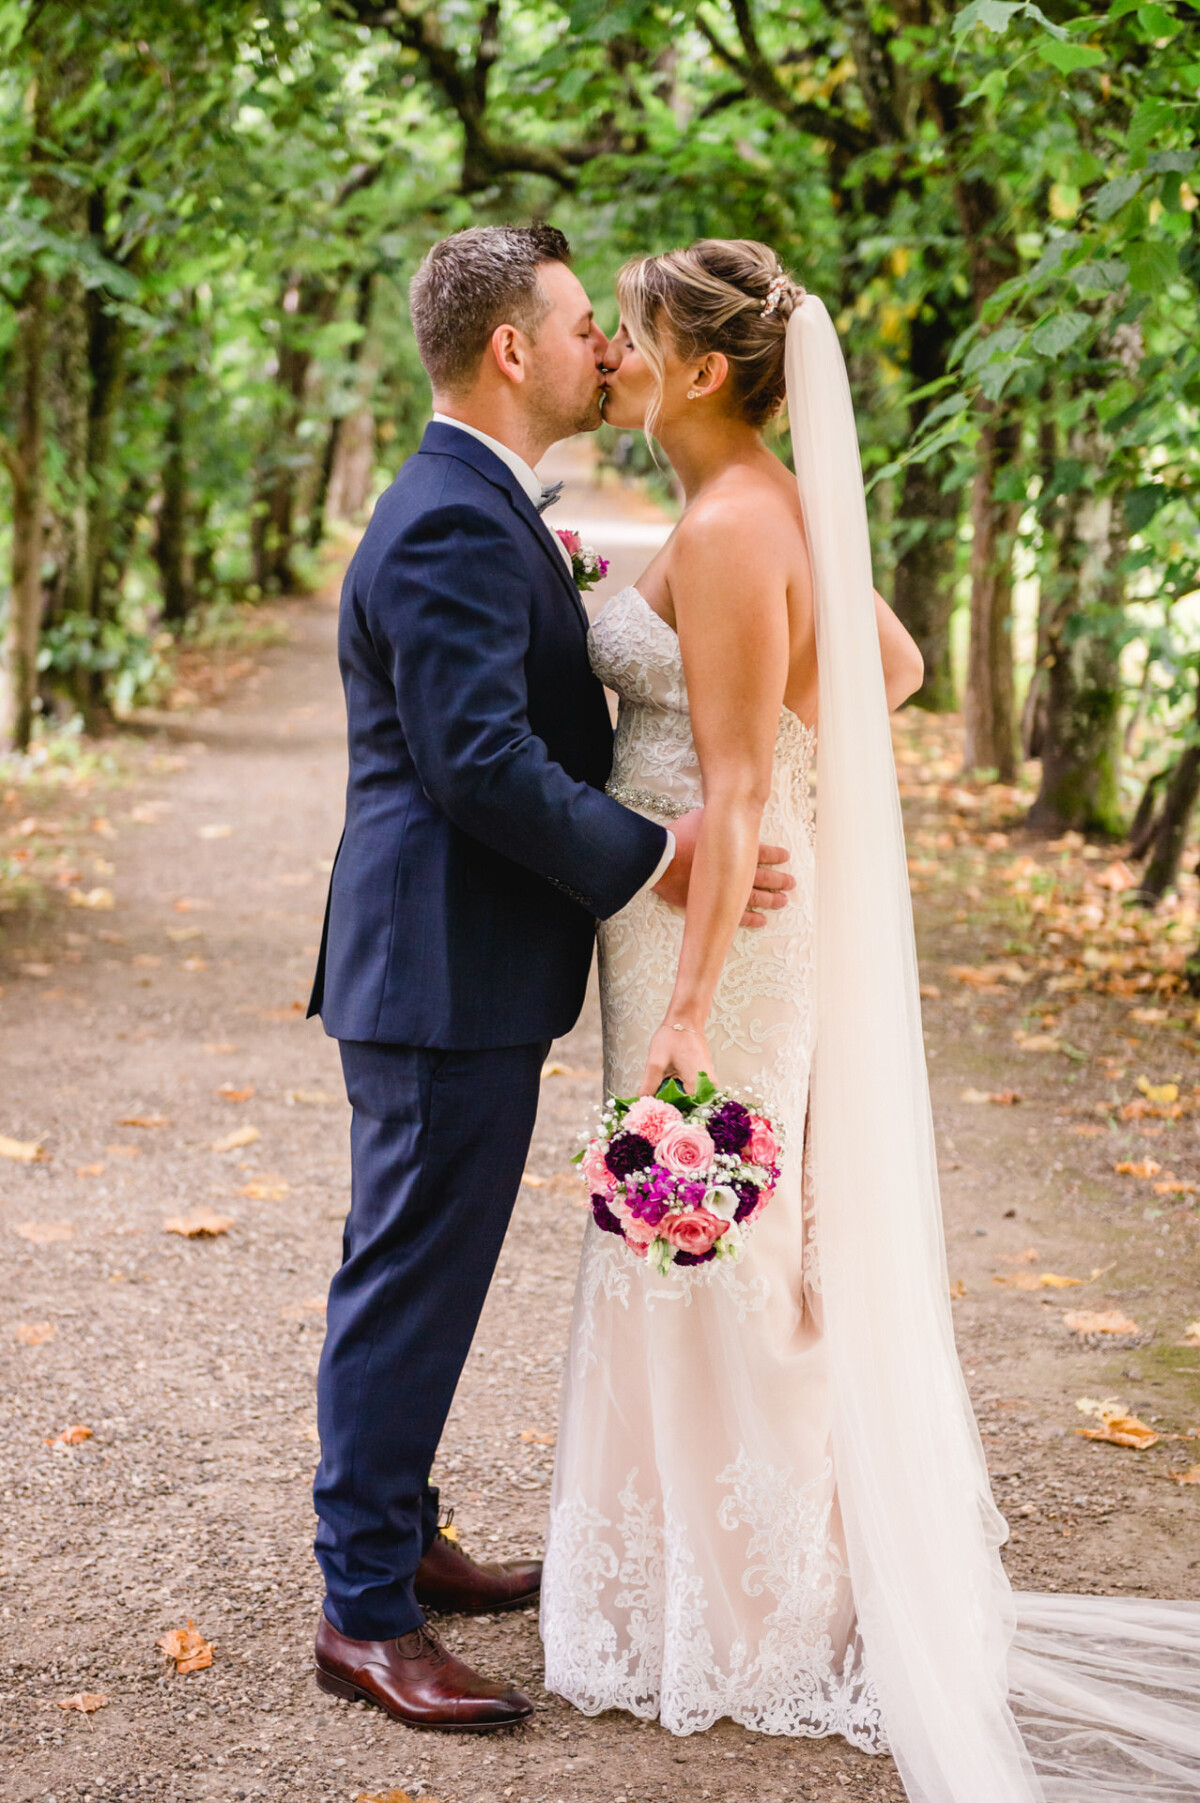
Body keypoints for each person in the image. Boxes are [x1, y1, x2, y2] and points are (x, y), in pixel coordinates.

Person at [541, 240, 1200, 1801]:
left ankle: (751, 1622)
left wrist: (694, 1000)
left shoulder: (725, 525)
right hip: (737, 914)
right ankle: (739, 1586)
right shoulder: (767, 502)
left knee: (718, 1247)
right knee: (748, 1245)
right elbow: (888, 663)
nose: (617, 358)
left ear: (703, 371)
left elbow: (748, 782)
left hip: (719, 942)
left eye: (631, 337)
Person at [306, 224, 794, 1732]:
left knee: (426, 1271)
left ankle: (403, 1535)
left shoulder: (480, 501)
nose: (606, 348)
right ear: (513, 348)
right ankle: (364, 1611)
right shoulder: (453, 517)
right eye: (585, 324)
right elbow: (479, 762)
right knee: (407, 1278)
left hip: (456, 962)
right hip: (437, 969)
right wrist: (670, 856)